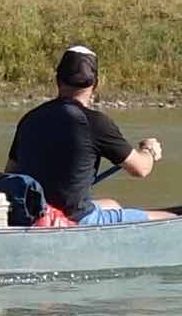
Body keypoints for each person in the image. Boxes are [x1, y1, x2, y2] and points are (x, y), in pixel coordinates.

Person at [9, 45, 161, 224]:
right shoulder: (95, 123)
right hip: (73, 219)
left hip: (31, 215)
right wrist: (149, 150)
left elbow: (10, 172)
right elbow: (141, 169)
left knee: (112, 204)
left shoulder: (30, 119)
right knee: (168, 218)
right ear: (95, 85)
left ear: (58, 80)